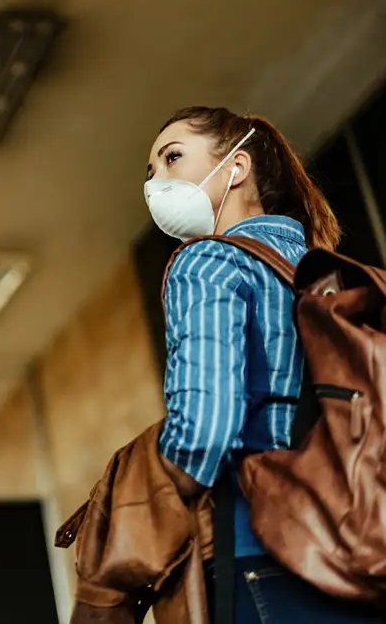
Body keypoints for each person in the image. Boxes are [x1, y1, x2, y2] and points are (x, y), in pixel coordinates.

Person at [143, 106, 383, 622]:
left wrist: (149, 508)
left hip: (263, 549)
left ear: (236, 167)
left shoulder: (205, 261)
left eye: (172, 158)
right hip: (358, 545)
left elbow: (205, 430)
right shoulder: (325, 276)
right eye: (151, 172)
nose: (155, 183)